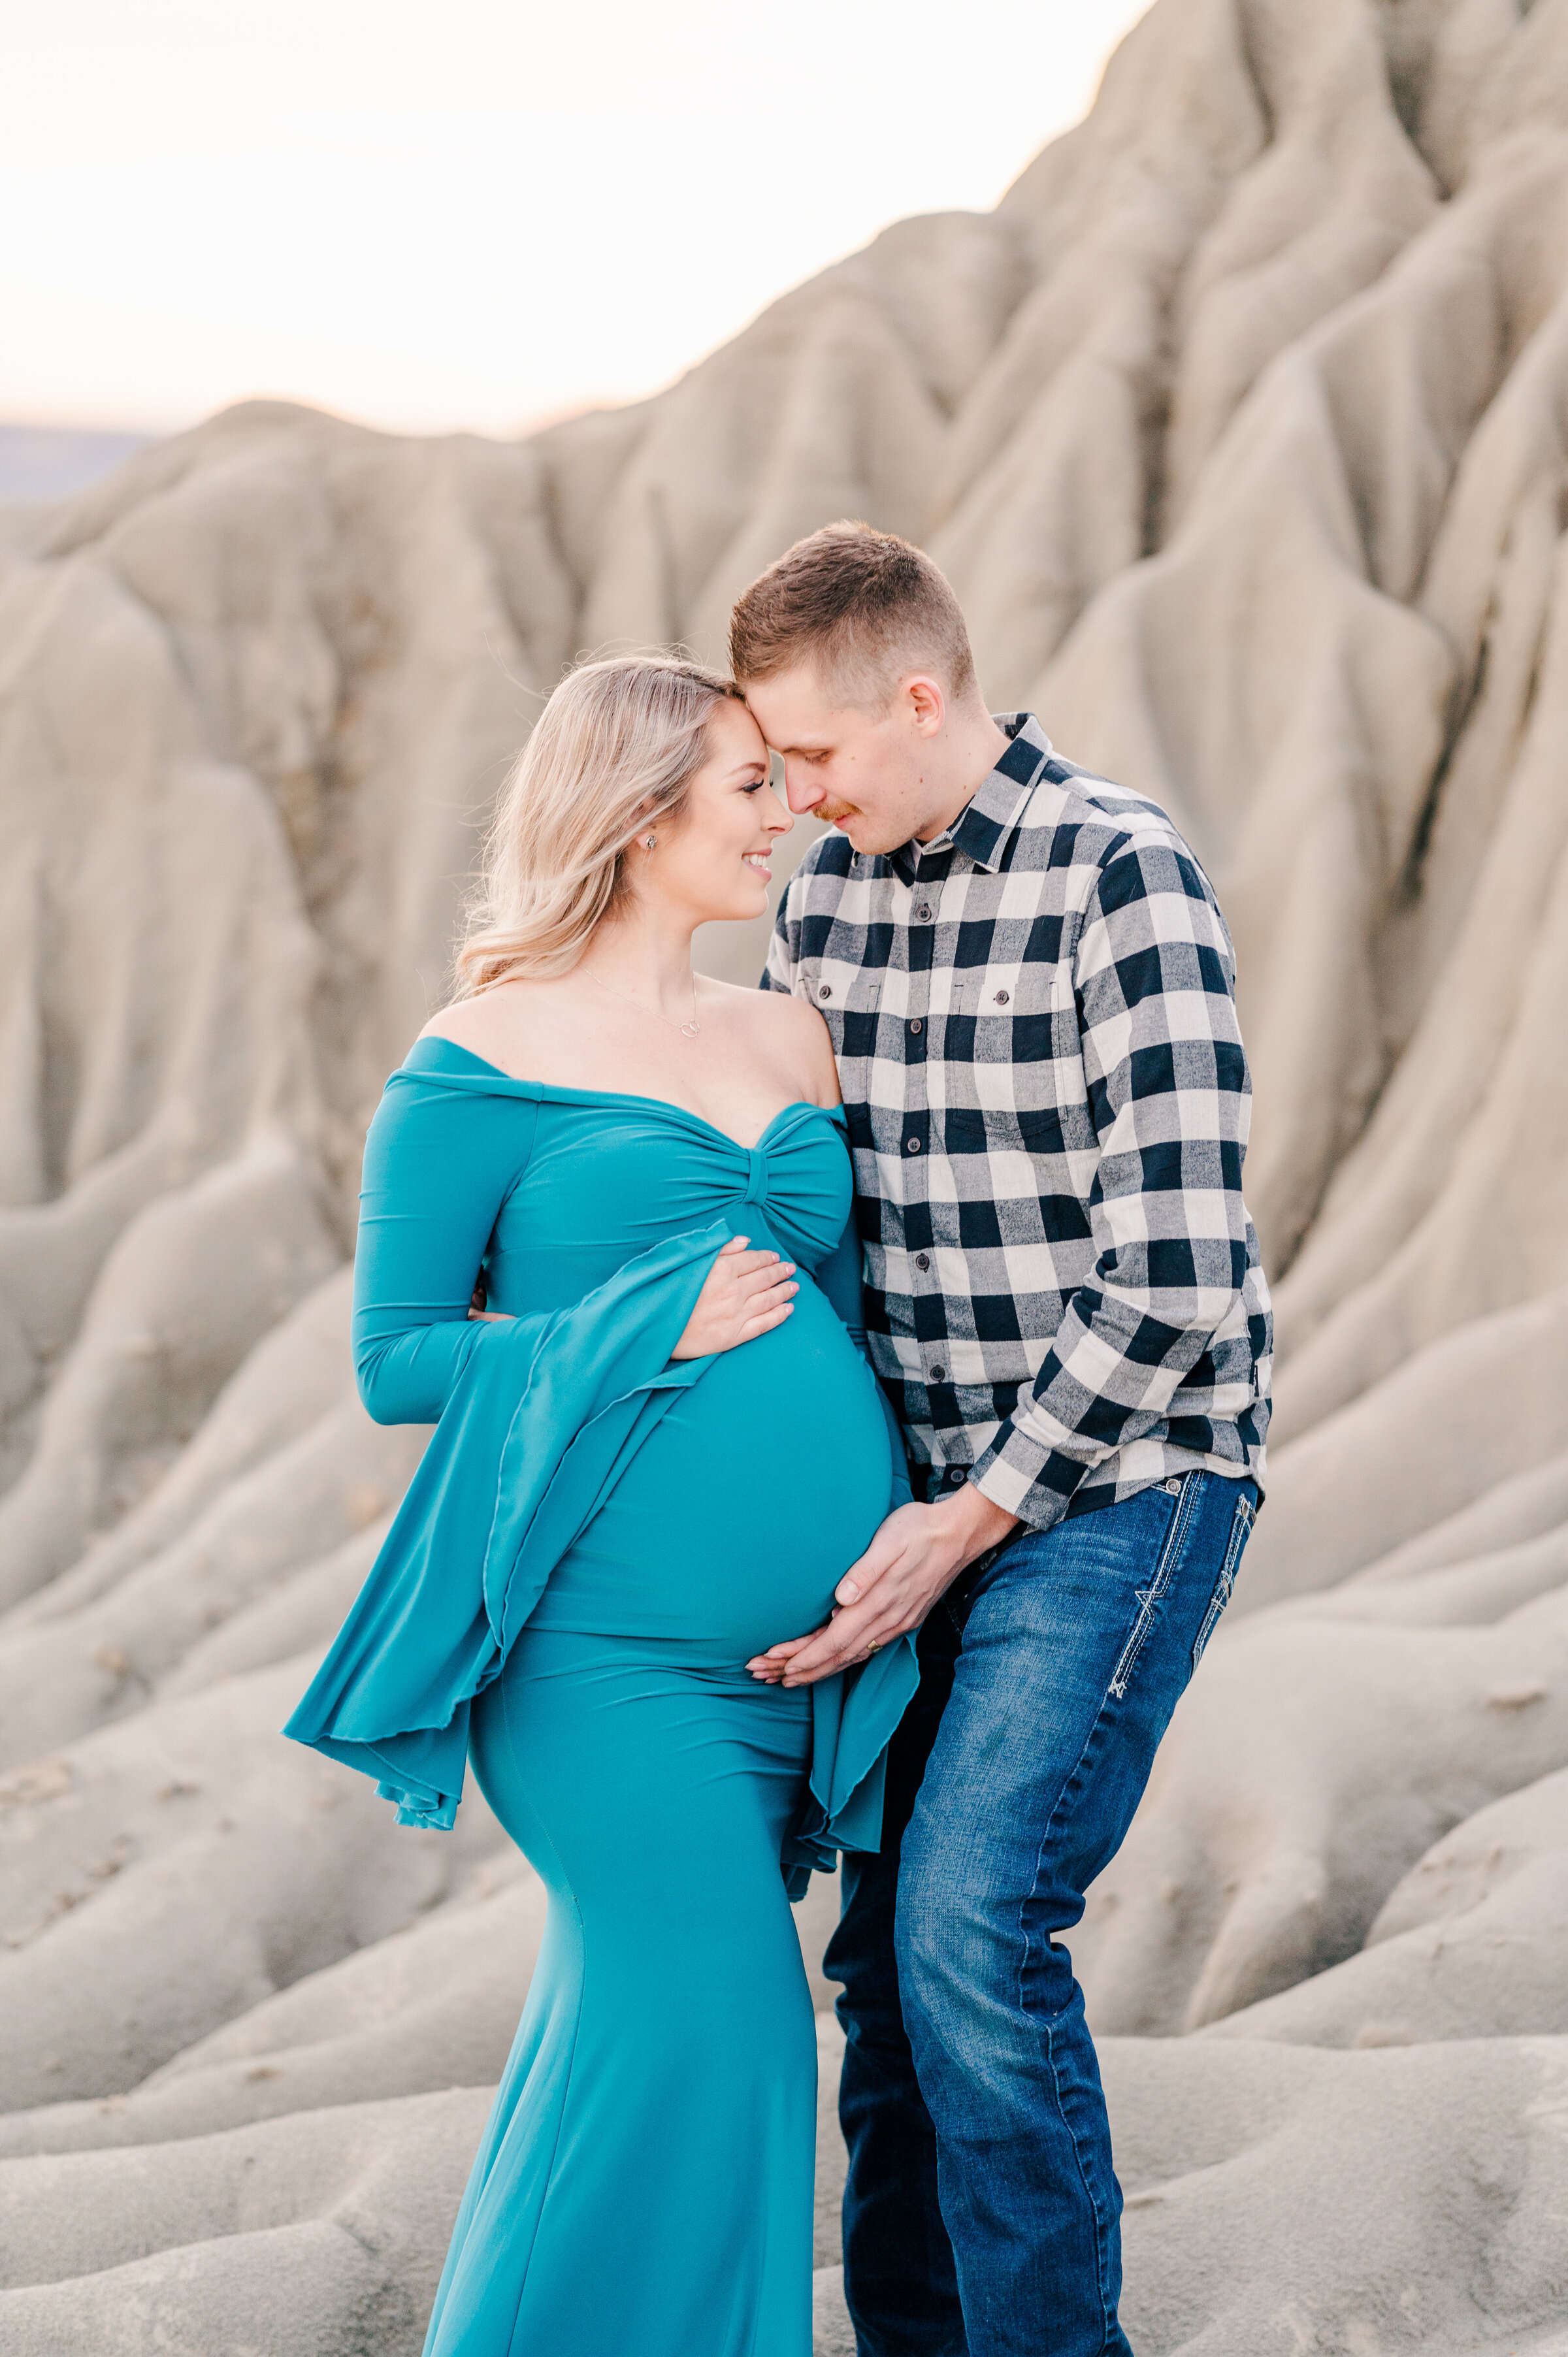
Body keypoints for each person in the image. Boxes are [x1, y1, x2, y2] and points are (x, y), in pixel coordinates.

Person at [283, 654, 922, 2357]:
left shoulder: (785, 1028)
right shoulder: (477, 1055)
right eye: (746, 788)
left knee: (635, 2064)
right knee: (720, 2033)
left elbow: (850, 1323)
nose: (785, 816)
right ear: (641, 819)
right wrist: (631, 1326)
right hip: (600, 1666)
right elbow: (399, 1360)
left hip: (801, 1652)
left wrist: (900, 1547)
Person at [734, 523, 1273, 2357]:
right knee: (880, 1985)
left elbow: (1185, 1269)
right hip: (919, 1500)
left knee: (971, 1929)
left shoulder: (1121, 874)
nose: (793, 799)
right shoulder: (821, 904)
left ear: (918, 692)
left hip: (1121, 1484)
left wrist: (977, 1513)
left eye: (813, 754)